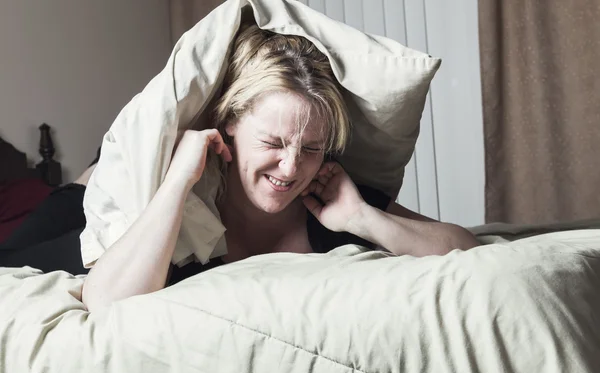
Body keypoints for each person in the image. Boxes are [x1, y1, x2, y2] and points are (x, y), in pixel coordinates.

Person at [0, 25, 480, 312]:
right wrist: (176, 182)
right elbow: (105, 303)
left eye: (311, 148)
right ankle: (87, 176)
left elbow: (466, 248)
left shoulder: (334, 196)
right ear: (228, 121)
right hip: (85, 216)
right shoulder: (182, 203)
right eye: (272, 142)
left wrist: (363, 219)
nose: (291, 169)